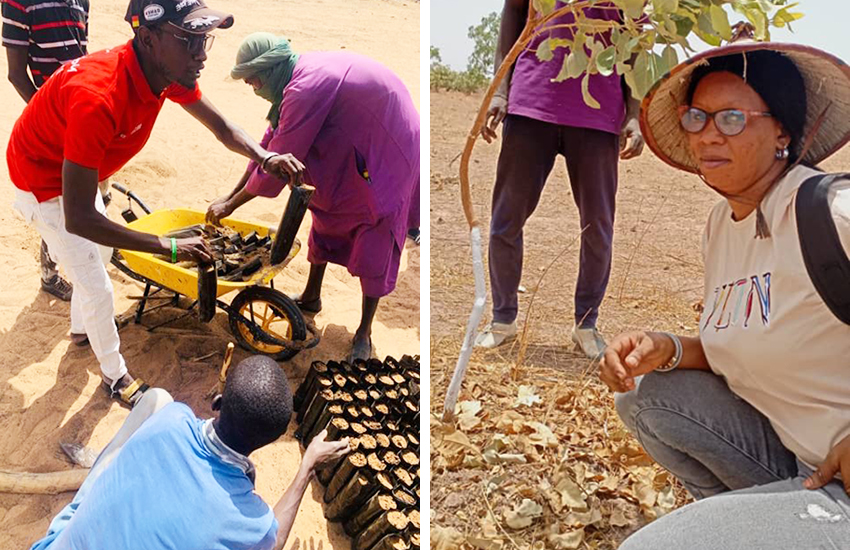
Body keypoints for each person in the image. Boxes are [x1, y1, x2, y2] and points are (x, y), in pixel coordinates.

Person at [599, 41, 850, 548]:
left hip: (843, 483)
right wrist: (668, 348)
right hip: (799, 458)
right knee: (647, 397)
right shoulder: (722, 224)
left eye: (732, 118)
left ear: (781, 129)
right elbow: (748, 339)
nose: (709, 134)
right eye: (697, 117)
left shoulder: (831, 212)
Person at [7, 0, 305, 405]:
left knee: (103, 250)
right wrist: (170, 246)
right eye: (189, 40)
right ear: (147, 38)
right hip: (42, 180)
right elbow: (78, 217)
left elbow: (220, 127)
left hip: (75, 168)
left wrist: (264, 156)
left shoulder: (168, 72)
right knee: (98, 285)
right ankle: (114, 377)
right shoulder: (98, 97)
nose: (201, 54)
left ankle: (82, 329)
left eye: (204, 39)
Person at [205, 33, 420, 362]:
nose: (253, 88)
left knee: (374, 231)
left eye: (254, 81)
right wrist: (229, 195)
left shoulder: (305, 88)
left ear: (271, 70)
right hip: (352, 143)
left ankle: (364, 331)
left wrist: (231, 205)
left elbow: (274, 169)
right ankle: (311, 296)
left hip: (387, 149)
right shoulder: (292, 82)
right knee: (325, 211)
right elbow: (268, 151)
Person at [29, 355, 350, 550]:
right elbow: (274, 541)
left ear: (217, 403)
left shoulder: (171, 419)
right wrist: (307, 466)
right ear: (267, 443)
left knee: (156, 398)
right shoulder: (250, 520)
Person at [473, 0, 645, 358]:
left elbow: (637, 45)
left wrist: (633, 112)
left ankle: (586, 323)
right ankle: (503, 319)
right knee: (506, 218)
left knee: (598, 226)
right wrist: (501, 90)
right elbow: (514, 15)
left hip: (599, 110)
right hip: (532, 99)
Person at [2, 0, 92, 301]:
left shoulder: (80, 1)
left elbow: (82, 58)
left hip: (81, 114)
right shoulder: (19, 3)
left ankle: (85, 255)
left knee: (86, 191)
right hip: (50, 122)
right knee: (57, 196)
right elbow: (16, 74)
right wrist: (47, 117)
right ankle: (50, 274)